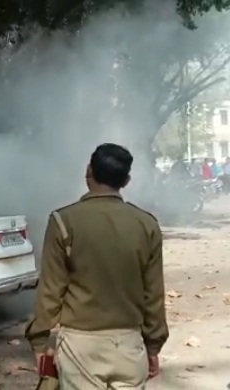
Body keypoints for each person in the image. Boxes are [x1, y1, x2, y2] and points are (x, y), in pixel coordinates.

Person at [25, 143, 168, 389]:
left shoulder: (62, 222)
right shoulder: (147, 224)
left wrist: (39, 342)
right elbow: (153, 294)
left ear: (89, 171)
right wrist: (153, 346)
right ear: (126, 180)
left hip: (80, 347)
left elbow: (51, 290)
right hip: (129, 346)